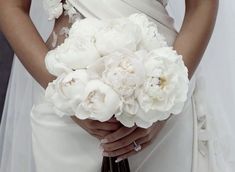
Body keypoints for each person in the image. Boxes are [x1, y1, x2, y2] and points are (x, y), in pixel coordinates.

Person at [0, 0, 232, 172]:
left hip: (160, 94)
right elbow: (10, 7)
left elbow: (203, 5)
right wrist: (64, 95)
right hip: (64, 100)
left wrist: (164, 107)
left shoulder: (163, 102)